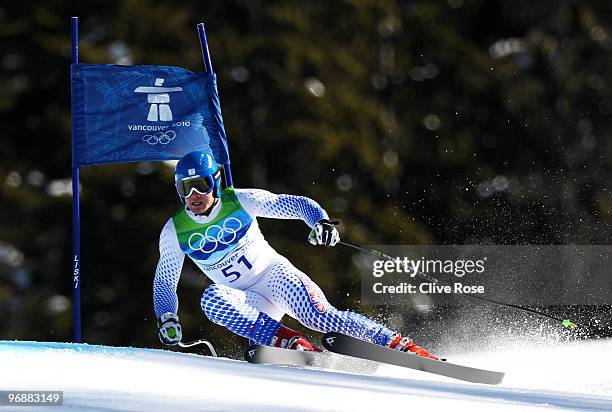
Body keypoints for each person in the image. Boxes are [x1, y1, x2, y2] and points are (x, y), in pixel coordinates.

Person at [153, 150, 438, 359]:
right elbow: (165, 282)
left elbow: (293, 204)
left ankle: (398, 345)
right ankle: (293, 346)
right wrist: (167, 317)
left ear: (214, 181)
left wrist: (319, 221)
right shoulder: (174, 231)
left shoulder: (239, 200)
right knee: (212, 300)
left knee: (320, 317)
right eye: (184, 188)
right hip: (246, 302)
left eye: (200, 184)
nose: (194, 195)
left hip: (275, 277)